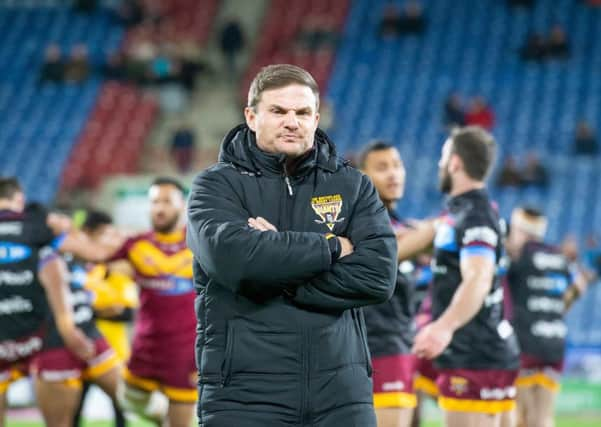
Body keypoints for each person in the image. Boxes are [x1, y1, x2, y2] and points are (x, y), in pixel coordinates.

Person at [187, 64, 397, 427]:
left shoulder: (353, 186)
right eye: (278, 111)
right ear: (251, 117)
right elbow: (235, 262)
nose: (292, 122)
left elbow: (377, 277)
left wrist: (274, 261)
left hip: (342, 398)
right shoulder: (214, 187)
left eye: (302, 113)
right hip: (243, 398)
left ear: (316, 119)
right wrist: (330, 248)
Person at [412, 127, 520, 427]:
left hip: (475, 354)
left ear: (455, 162)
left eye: (443, 156)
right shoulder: (464, 213)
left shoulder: (475, 215)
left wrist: (442, 328)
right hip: (478, 351)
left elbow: (478, 278)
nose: (439, 164)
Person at [0, 178, 94, 427]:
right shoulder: (39, 228)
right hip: (43, 337)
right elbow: (92, 253)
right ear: (19, 199)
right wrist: (69, 329)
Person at [110, 177, 197, 427]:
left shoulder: (199, 242)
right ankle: (159, 415)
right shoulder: (136, 244)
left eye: (167, 201)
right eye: (155, 201)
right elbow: (100, 255)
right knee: (128, 399)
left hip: (185, 349)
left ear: (182, 205)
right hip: (144, 346)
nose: (159, 208)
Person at [505, 207, 588, 427]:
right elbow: (580, 284)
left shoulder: (519, 256)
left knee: (519, 418)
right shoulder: (558, 255)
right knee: (543, 418)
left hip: (525, 344)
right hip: (554, 344)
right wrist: (555, 309)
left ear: (521, 231)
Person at [358, 141, 416, 427]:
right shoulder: (363, 223)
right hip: (378, 347)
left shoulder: (399, 224)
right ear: (362, 177)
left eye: (397, 165)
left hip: (399, 345)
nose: (393, 174)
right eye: (382, 168)